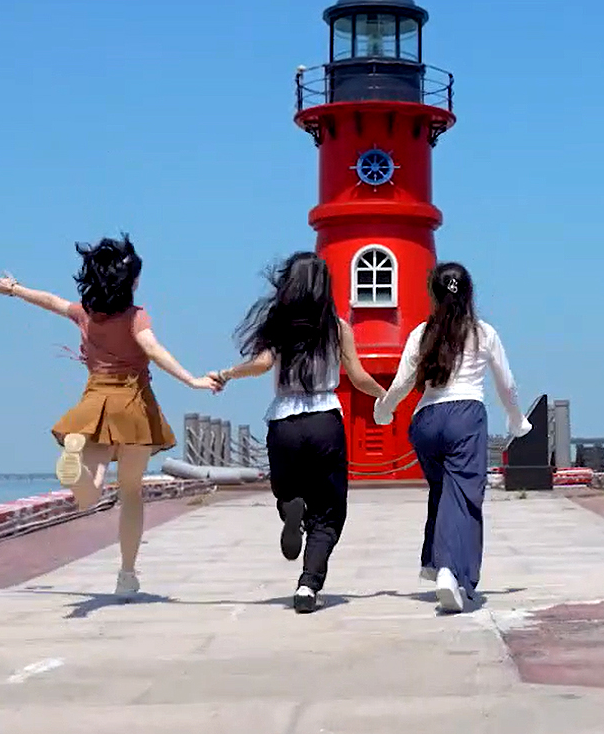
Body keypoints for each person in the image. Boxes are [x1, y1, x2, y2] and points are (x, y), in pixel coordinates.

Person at [0, 235, 219, 599]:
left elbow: (52, 302)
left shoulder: (85, 314)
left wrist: (15, 289)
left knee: (89, 493)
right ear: (131, 282)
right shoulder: (136, 316)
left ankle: (75, 466)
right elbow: (153, 349)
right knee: (131, 492)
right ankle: (126, 575)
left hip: (95, 403)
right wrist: (192, 380)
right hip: (134, 406)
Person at [210, 252, 388, 613]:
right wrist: (386, 395)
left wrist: (227, 374)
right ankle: (308, 585)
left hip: (284, 423)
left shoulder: (279, 324)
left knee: (289, 491)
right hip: (324, 421)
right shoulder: (338, 327)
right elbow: (357, 377)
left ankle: (291, 508)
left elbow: (261, 364)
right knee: (328, 512)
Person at [374, 262, 529, 613]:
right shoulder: (483, 332)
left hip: (425, 421)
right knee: (465, 497)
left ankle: (433, 562)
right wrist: (516, 420)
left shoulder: (421, 333)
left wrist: (384, 410)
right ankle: (451, 571)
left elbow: (402, 382)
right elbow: (507, 384)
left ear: (433, 294)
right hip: (465, 417)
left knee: (445, 491)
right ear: (469, 293)